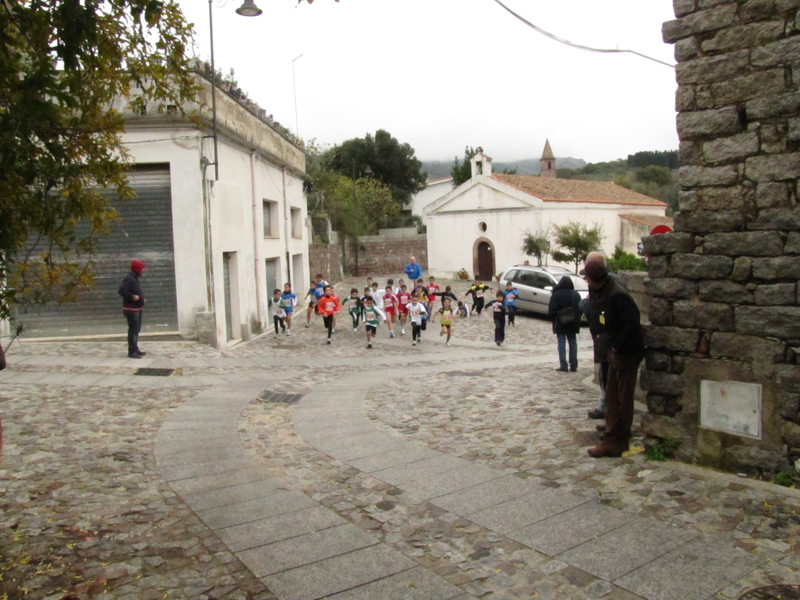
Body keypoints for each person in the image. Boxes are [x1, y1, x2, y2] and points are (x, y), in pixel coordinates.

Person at [583, 260, 644, 458]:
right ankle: (612, 438)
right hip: (615, 350)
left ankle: (617, 441)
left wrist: (616, 345)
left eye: (587, 277)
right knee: (612, 398)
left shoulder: (617, 295)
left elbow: (632, 324)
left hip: (626, 353)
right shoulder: (602, 291)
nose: (586, 280)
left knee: (621, 399)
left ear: (593, 278)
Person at [548, 276, 581, 372]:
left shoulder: (556, 294)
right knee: (573, 343)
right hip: (573, 322)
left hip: (560, 321)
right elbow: (579, 308)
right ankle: (574, 365)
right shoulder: (575, 294)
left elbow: (551, 310)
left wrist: (555, 318)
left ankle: (563, 365)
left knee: (561, 343)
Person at [118, 259, 146, 358]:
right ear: (137, 269)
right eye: (142, 269)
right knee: (133, 330)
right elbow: (121, 290)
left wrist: (142, 299)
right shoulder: (129, 278)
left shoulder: (133, 278)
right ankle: (132, 351)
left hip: (136, 309)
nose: (143, 271)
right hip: (131, 309)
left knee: (136, 329)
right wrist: (133, 297)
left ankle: (135, 348)